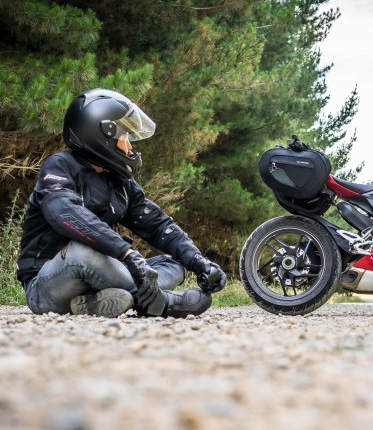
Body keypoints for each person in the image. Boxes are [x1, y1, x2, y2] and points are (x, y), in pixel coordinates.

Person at [16, 88, 226, 318]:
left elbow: (158, 225)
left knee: (174, 263)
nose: (130, 147)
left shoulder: (119, 181)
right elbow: (66, 213)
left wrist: (199, 262)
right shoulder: (59, 166)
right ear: (101, 136)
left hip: (100, 278)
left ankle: (98, 303)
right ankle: (162, 302)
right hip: (46, 285)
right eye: (125, 138)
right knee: (84, 251)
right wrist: (126, 253)